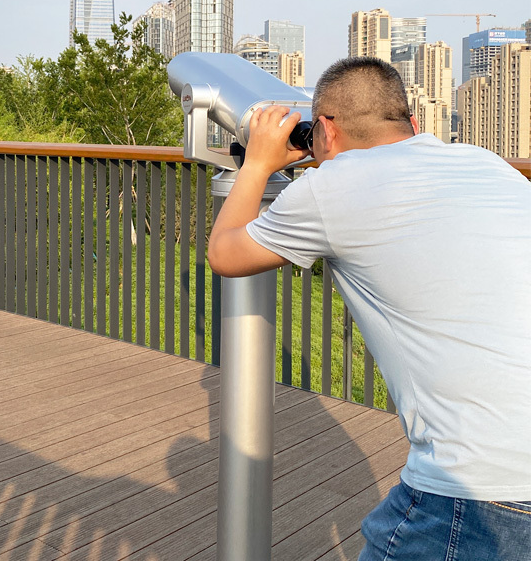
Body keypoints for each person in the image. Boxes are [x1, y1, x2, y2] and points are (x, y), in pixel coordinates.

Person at [207, 56, 531, 561]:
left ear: (327, 133)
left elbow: (225, 254)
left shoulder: (329, 188)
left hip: (482, 486)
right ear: (414, 124)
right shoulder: (487, 163)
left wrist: (257, 164)